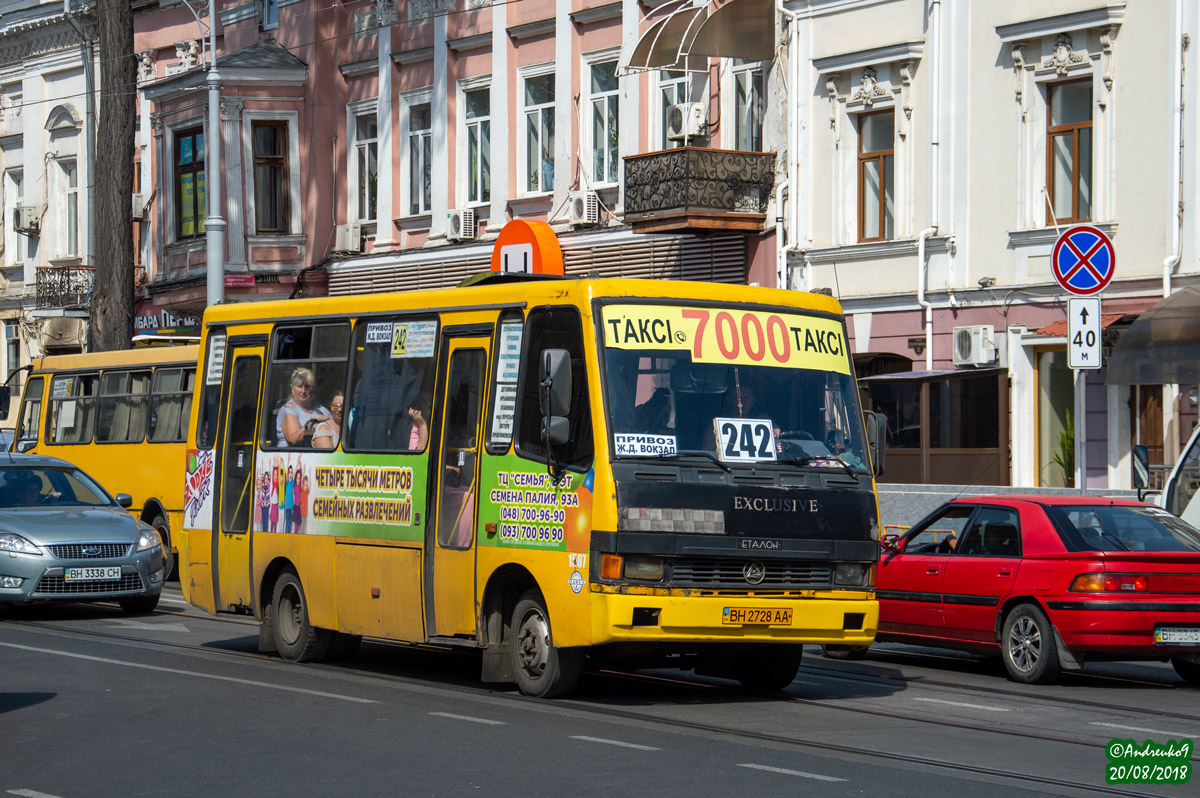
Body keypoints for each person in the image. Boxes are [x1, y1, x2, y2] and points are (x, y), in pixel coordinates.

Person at [276, 368, 331, 447]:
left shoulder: (321, 409)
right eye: (299, 386)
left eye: (307, 386)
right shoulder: (288, 409)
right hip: (290, 456)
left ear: (312, 389)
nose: (303, 390)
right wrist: (311, 422)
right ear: (292, 389)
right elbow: (293, 439)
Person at [283, 464, 295, 534]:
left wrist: (297, 463)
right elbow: (286, 474)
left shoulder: (292, 481)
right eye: (289, 472)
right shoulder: (287, 481)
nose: (290, 474)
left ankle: (289, 534)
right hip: (287, 506)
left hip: (291, 506)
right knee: (287, 523)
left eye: (291, 472)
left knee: (290, 523)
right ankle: (286, 534)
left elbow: (295, 471)